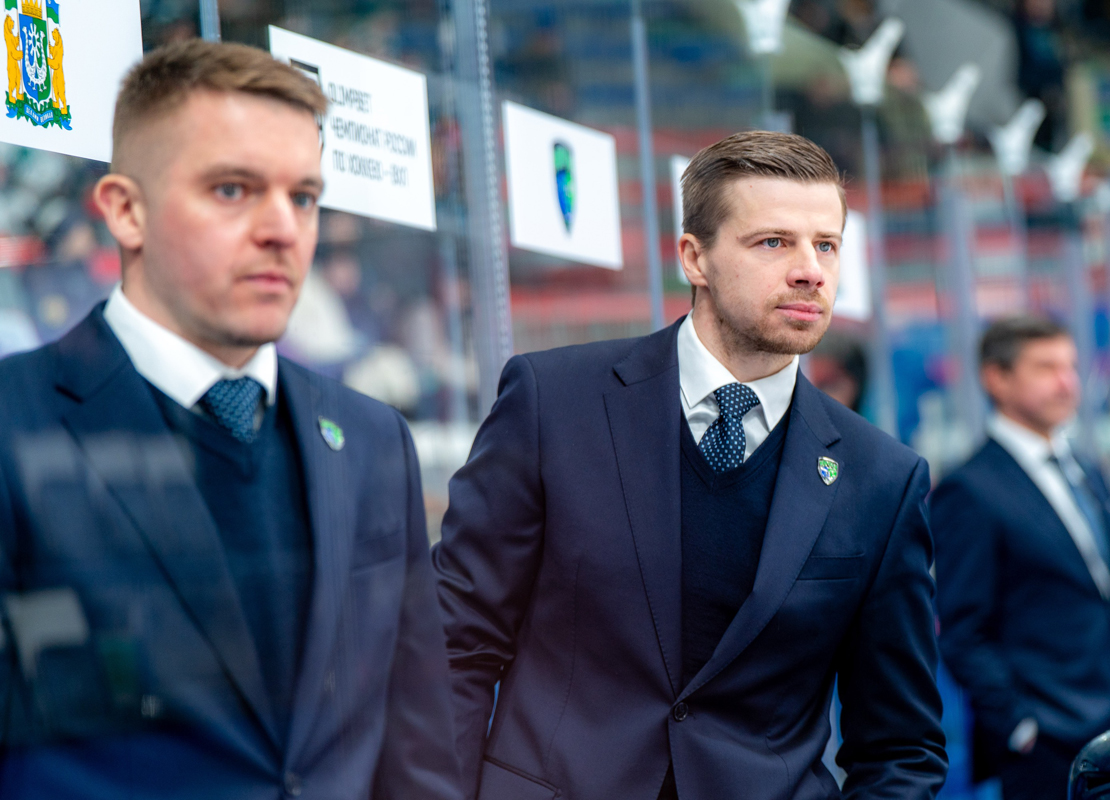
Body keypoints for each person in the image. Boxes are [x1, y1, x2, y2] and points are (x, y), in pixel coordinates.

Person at [0, 40, 459, 799]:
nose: (282, 228)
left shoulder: (371, 440)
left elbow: (415, 746)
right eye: (232, 189)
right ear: (126, 211)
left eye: (303, 197)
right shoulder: (15, 420)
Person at [433, 130, 947, 800]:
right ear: (694, 258)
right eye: (774, 242)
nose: (810, 270)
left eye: (826, 245)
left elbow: (901, 746)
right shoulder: (551, 402)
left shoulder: (882, 477)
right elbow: (456, 645)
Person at [932, 316, 1110, 800]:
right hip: (1048, 741)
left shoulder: (1088, 471)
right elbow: (963, 631)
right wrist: (1020, 725)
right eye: (1046, 368)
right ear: (997, 378)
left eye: (1071, 367)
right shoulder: (970, 490)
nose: (1067, 382)